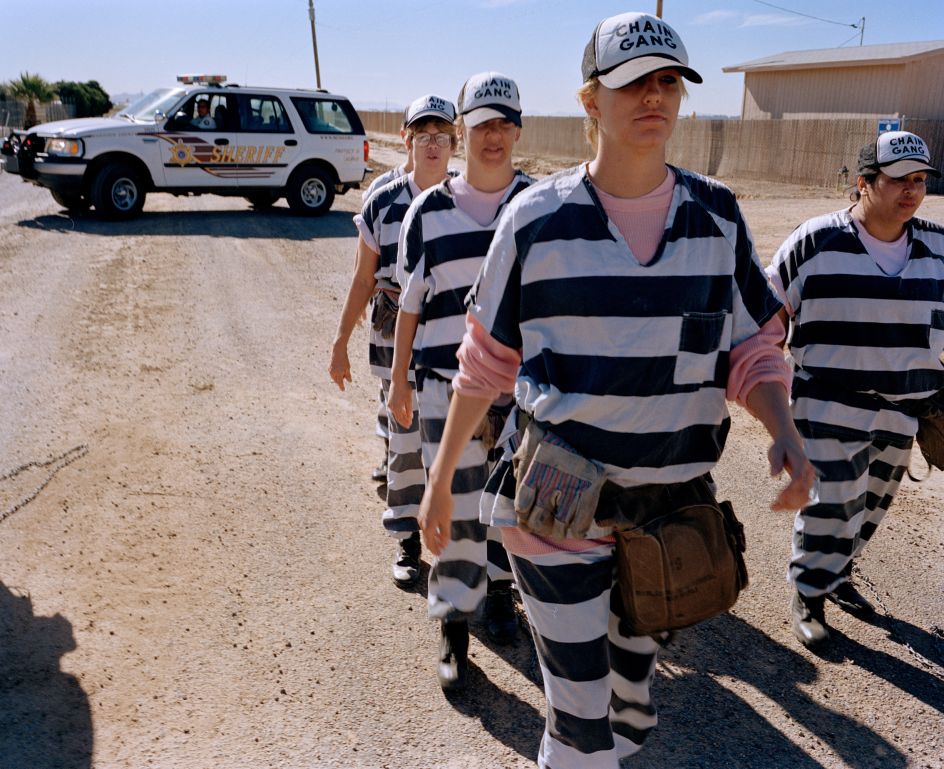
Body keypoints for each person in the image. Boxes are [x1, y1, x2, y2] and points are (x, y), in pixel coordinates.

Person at [415, 12, 815, 767]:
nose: (652, 96)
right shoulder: (535, 221)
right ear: (591, 100)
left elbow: (752, 348)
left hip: (668, 509)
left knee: (631, 704)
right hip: (555, 501)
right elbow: (485, 362)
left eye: (668, 81)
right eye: (631, 82)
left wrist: (783, 429)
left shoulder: (716, 216)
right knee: (580, 719)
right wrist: (440, 486)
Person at [767, 130, 944, 648]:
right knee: (832, 503)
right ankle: (809, 592)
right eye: (898, 181)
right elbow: (769, 313)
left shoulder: (936, 245)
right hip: (829, 403)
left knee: (870, 506)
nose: (911, 191)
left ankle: (837, 576)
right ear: (864, 184)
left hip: (906, 407)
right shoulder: (816, 240)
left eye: (919, 181)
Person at [387, 72, 535, 690]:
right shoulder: (427, 212)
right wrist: (398, 382)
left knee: (509, 510)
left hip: (521, 394)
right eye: (482, 123)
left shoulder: (539, 207)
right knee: (451, 513)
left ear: (518, 130)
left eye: (505, 123)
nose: (493, 135)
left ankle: (498, 598)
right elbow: (410, 308)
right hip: (445, 387)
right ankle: (452, 627)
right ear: (461, 131)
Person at [329, 95, 458, 587]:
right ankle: (406, 536)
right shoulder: (383, 200)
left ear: (454, 140)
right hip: (391, 339)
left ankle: (460, 541)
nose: (431, 143)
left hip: (446, 340)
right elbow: (363, 280)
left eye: (440, 135)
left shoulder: (467, 198)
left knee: (454, 443)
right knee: (404, 441)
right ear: (407, 139)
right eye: (422, 134)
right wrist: (340, 341)